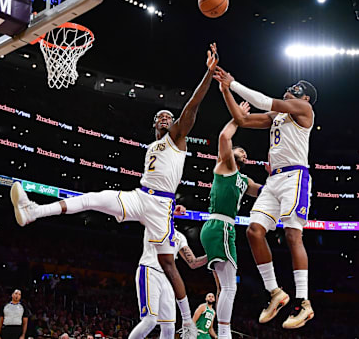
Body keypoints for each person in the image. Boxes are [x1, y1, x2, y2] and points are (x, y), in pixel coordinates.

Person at [10, 44, 220, 339]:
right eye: (159, 116)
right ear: (153, 125)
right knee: (95, 199)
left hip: (160, 206)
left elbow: (192, 108)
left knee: (170, 265)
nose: (164, 117)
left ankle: (187, 322)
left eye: (168, 116)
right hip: (141, 196)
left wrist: (208, 75)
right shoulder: (152, 147)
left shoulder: (177, 139)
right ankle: (34, 211)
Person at [214, 68, 317, 329]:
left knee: (293, 235)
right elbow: (241, 119)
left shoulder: (304, 111)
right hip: (274, 180)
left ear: (305, 98)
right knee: (254, 231)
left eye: (298, 88)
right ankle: (275, 293)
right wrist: (226, 91)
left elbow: (262, 100)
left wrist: (233, 81)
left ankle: (303, 302)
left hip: (295, 176)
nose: (292, 88)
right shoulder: (277, 117)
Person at [199, 97, 263, 339]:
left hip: (224, 228)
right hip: (219, 225)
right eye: (240, 150)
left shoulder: (244, 180)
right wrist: (239, 118)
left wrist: (278, 179)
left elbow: (261, 191)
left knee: (228, 286)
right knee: (229, 286)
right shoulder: (225, 166)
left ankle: (224, 332)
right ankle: (224, 333)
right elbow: (224, 138)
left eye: (245, 153)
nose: (243, 153)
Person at [129, 229, 207, 339]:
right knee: (150, 320)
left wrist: (213, 254)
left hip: (168, 278)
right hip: (150, 270)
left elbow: (193, 263)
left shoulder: (180, 236)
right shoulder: (153, 221)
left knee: (169, 326)